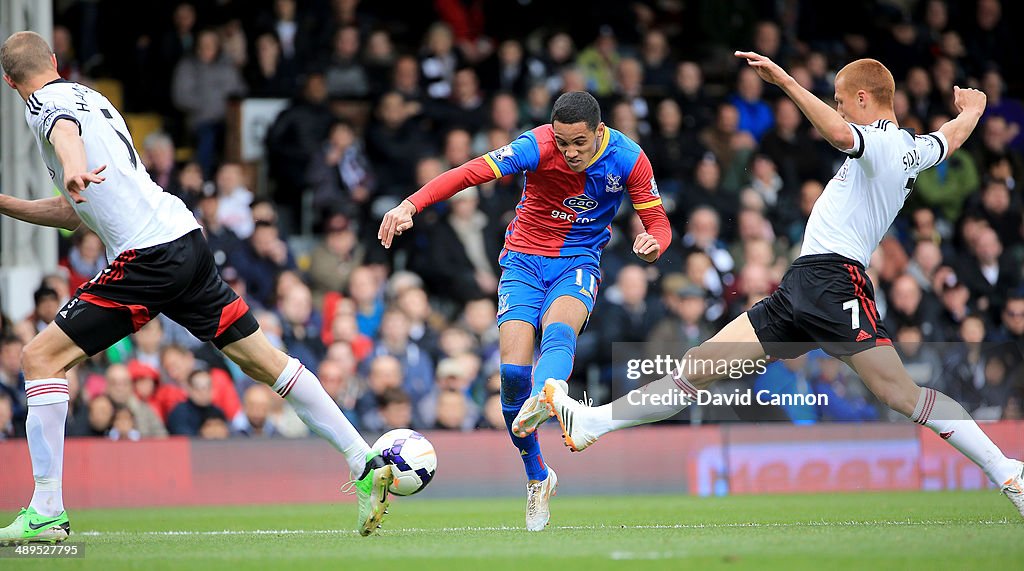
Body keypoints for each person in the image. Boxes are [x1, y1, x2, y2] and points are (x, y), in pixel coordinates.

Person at [539, 52, 1024, 518]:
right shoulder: (915, 150)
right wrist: (974, 111)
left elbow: (837, 133)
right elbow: (950, 139)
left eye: (838, 98)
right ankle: (594, 422)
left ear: (862, 98)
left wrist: (786, 82)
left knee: (903, 395)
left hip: (835, 283)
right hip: (803, 285)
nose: (836, 107)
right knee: (699, 366)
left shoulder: (882, 140)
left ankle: (1007, 472)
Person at [0, 31, 396, 543]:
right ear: (54, 60)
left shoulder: (44, 103)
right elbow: (73, 214)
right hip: (184, 239)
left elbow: (64, 135)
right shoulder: (91, 97)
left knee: (38, 359)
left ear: (10, 81)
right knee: (263, 361)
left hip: (148, 258)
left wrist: (72, 168)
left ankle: (47, 509)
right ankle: (362, 458)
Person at [378, 91, 671, 530]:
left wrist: (653, 247)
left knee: (559, 331)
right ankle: (538, 474)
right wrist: (410, 204)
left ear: (599, 131)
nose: (569, 152)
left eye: (578, 143)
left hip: (578, 261)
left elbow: (659, 224)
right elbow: (470, 172)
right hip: (522, 261)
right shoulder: (536, 144)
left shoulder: (629, 158)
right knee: (512, 381)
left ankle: (549, 390)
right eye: (562, 142)